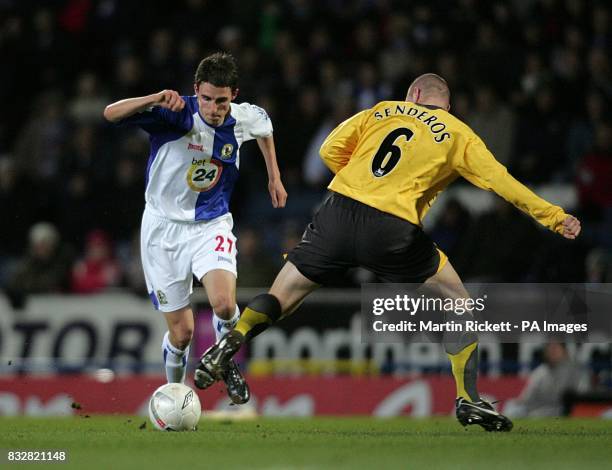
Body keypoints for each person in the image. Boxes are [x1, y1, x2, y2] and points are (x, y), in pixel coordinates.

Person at [195, 73, 581, 431]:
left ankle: (233, 338)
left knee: (282, 296)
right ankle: (468, 399)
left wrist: (362, 178)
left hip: (338, 212)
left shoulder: (380, 110)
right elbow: (501, 182)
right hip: (392, 229)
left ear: (412, 95)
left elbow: (330, 151)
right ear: (445, 107)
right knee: (459, 303)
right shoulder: (458, 134)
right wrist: (553, 216)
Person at [103, 52, 287, 404]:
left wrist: (274, 177)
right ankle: (175, 393)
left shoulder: (243, 117)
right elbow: (110, 113)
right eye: (206, 99)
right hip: (163, 229)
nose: (213, 108)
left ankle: (225, 361)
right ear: (195, 91)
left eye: (221, 100)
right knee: (183, 332)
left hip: (210, 222)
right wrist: (155, 97)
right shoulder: (173, 114)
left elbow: (266, 128)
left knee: (222, 303)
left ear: (233, 94)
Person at [507, 342, 590, 417]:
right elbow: (526, 398)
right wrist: (517, 403)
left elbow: (582, 394)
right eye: (550, 349)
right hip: (538, 412)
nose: (552, 352)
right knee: (511, 406)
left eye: (555, 349)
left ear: (564, 352)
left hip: (564, 412)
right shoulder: (539, 373)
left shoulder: (573, 371)